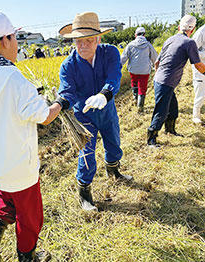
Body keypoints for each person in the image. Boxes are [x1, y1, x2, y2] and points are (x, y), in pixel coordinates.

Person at [0, 9, 62, 261]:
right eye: (14, 36)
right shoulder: (14, 79)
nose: (17, 43)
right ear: (4, 41)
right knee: (30, 216)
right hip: (20, 165)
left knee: (6, 196)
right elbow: (45, 116)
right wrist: (60, 102)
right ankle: (27, 256)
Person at [56, 11, 133, 212]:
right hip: (83, 116)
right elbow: (68, 92)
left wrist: (104, 95)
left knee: (114, 144)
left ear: (98, 38)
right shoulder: (68, 66)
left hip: (107, 110)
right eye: (78, 41)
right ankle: (85, 193)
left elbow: (114, 77)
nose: (83, 45)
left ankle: (114, 171)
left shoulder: (110, 53)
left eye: (88, 40)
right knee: (87, 155)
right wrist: (60, 104)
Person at [147, 15, 205, 147]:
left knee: (173, 108)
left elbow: (157, 62)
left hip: (161, 79)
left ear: (179, 27)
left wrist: (159, 75)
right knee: (161, 110)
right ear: (193, 29)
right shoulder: (189, 43)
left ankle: (170, 130)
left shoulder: (170, 40)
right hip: (166, 81)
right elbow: (198, 65)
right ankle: (151, 139)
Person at [121, 27, 158, 112]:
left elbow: (123, 58)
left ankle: (135, 98)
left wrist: (118, 67)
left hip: (133, 69)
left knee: (134, 83)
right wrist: (156, 68)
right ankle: (140, 106)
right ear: (144, 34)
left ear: (135, 35)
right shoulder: (148, 45)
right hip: (145, 70)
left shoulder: (130, 45)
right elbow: (155, 57)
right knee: (142, 86)